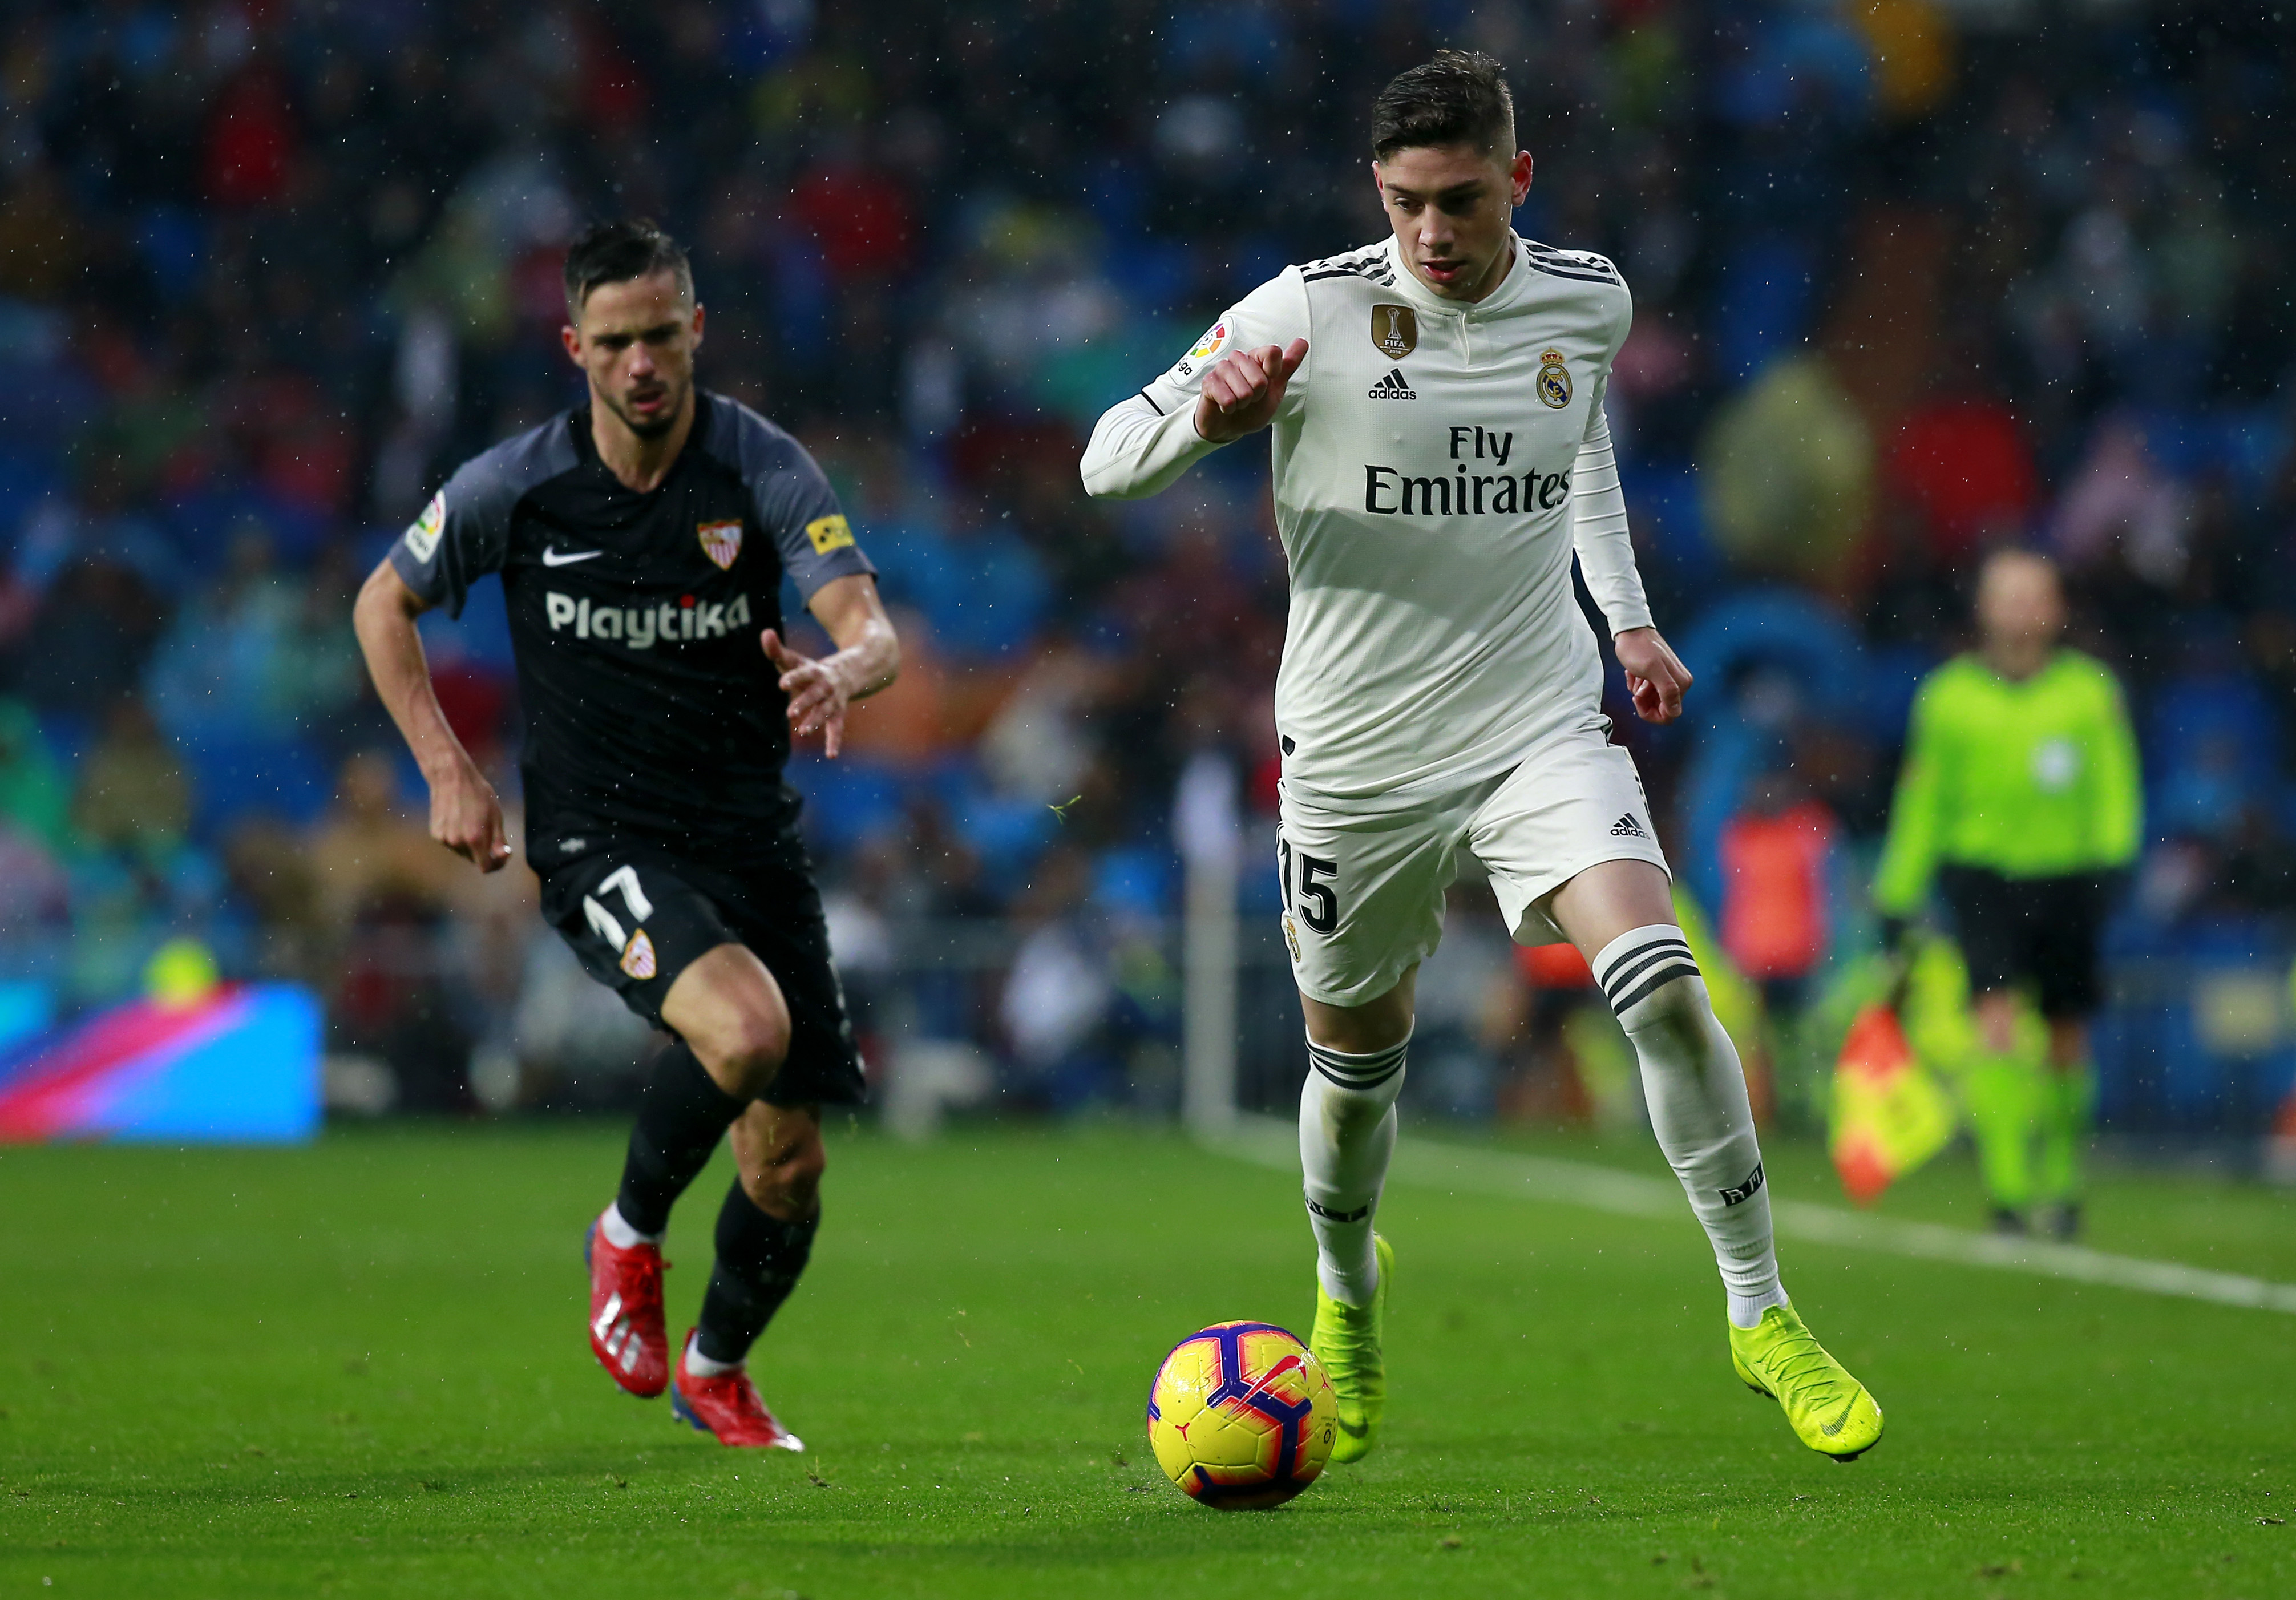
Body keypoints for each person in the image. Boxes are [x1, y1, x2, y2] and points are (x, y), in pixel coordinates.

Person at [1081, 52, 1881, 1464]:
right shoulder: (1309, 309)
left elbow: (1580, 451)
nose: (1433, 235)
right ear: (1374, 195)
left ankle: (1759, 1314)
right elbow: (1101, 458)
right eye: (1405, 205)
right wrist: (1210, 420)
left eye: (1458, 200)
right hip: (1350, 758)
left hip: (1532, 723)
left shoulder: (1584, 296)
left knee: (1661, 986)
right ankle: (1343, 1298)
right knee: (1355, 1067)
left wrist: (1623, 622)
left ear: (1513, 180)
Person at [353, 220, 899, 1448]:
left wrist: (846, 670)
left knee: (788, 1165)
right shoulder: (518, 486)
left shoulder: (759, 468)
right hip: (602, 840)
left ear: (695, 329)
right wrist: (447, 769)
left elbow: (872, 626)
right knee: (747, 1030)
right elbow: (382, 601)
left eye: (661, 334)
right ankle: (627, 1231)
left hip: (750, 843)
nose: (642, 361)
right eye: (614, 342)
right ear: (573, 348)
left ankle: (715, 1366)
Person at [1874, 548, 2140, 1238]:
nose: (2022, 610)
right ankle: (2008, 1189)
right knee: (1993, 1017)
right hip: (1981, 873)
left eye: (2034, 596)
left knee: (2064, 1035)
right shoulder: (1948, 696)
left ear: (2056, 608)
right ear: (1983, 609)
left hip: (2068, 872)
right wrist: (1897, 888)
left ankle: (2062, 1174)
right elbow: (1922, 796)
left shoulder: (2089, 691)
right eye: (2008, 596)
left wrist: (2116, 857)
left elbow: (2114, 783)